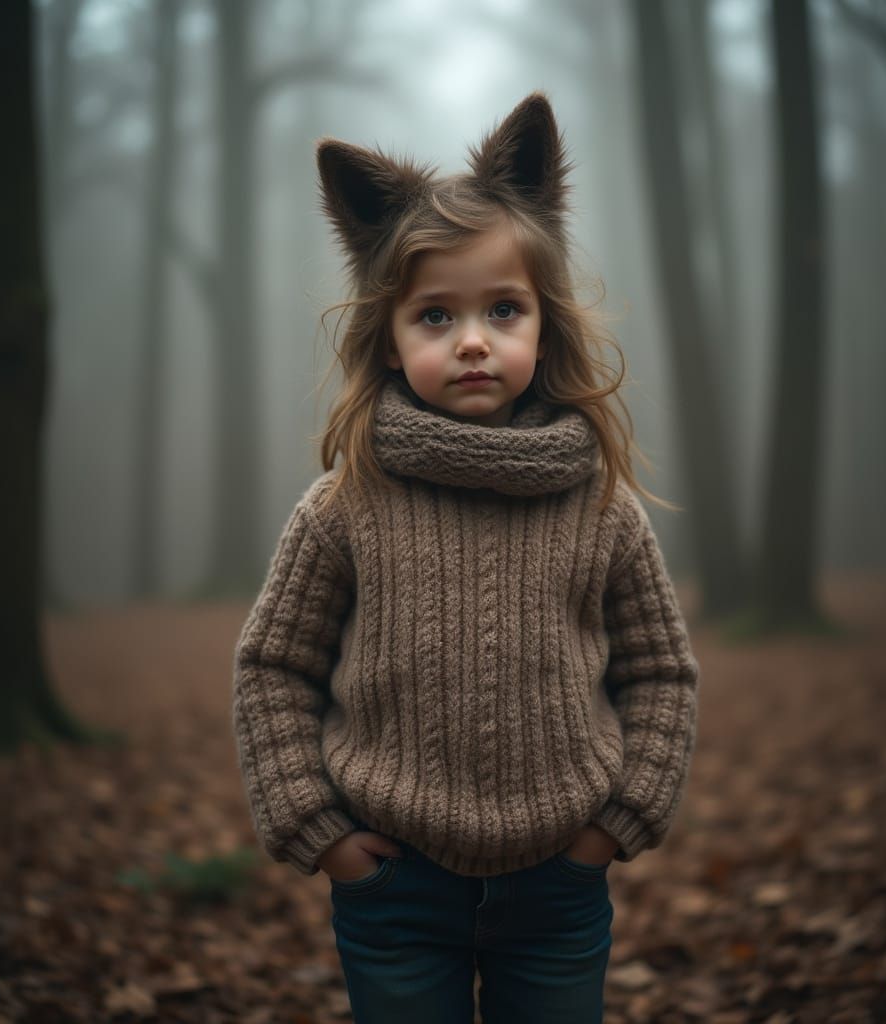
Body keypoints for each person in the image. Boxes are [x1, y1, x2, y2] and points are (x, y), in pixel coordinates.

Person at [232, 92, 700, 1024]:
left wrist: (612, 828)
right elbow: (272, 670)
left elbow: (661, 674)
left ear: (545, 324)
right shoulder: (344, 507)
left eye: (503, 309)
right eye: (436, 317)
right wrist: (322, 835)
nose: (474, 338)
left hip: (560, 886)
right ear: (392, 340)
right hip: (394, 888)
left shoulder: (600, 506)